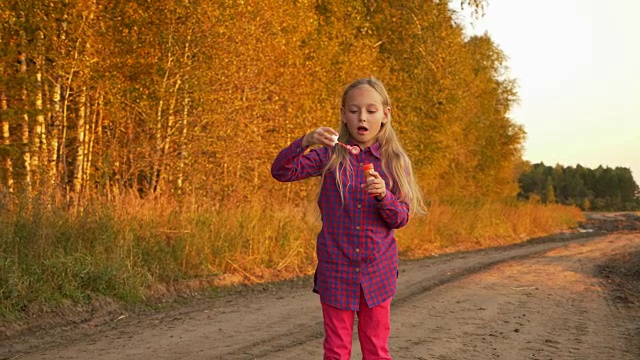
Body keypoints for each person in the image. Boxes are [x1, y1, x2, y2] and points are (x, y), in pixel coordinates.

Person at [271, 77, 426, 359]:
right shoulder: (330, 156)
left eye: (370, 110)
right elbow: (282, 171)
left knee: (376, 350)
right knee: (336, 351)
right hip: (336, 269)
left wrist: (384, 196)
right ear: (343, 114)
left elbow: (400, 218)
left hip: (377, 271)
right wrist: (305, 141)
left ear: (385, 115)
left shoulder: (395, 161)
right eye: (354, 111)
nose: (362, 117)